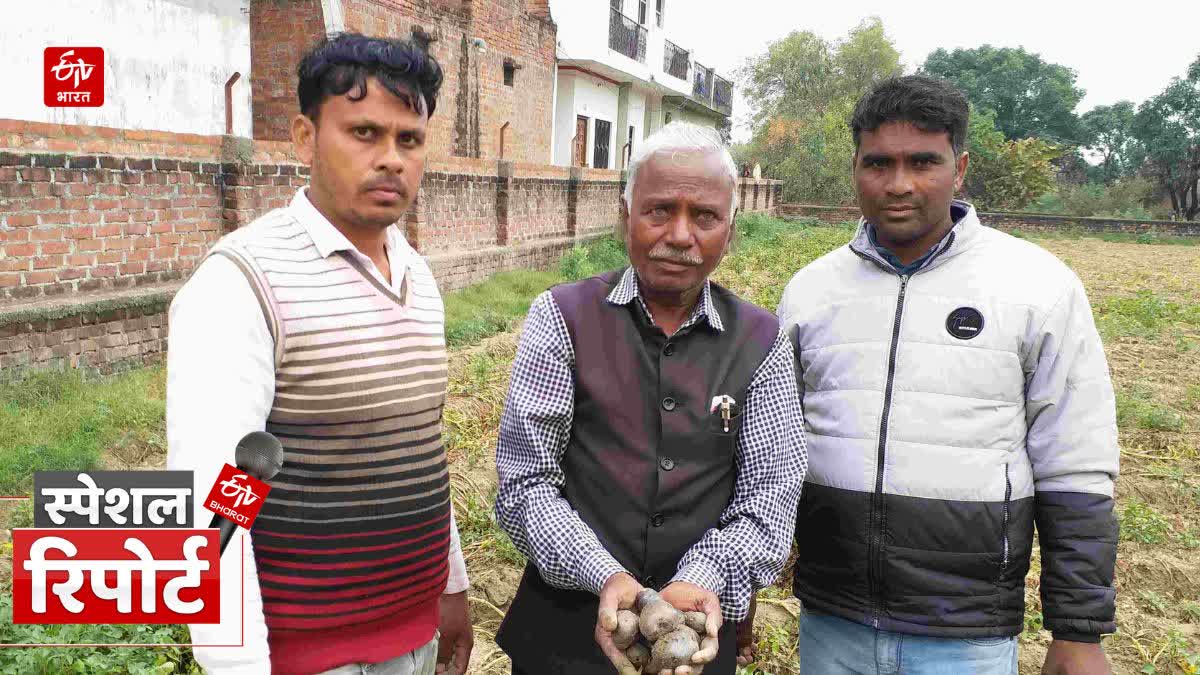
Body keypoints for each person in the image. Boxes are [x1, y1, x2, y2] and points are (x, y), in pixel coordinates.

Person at [776, 75, 1119, 674]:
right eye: (879, 163)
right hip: (831, 622)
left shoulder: (1037, 287)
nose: (899, 183)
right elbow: (774, 452)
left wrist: (1079, 630)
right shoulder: (810, 292)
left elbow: (1075, 462)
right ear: (855, 167)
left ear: (959, 168)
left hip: (965, 635)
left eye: (923, 162)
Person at [166, 33, 473, 675]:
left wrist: (451, 591)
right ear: (306, 139)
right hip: (305, 658)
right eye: (364, 133)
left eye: (409, 140)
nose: (391, 159)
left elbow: (423, 448)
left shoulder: (418, 279)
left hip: (413, 641)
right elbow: (216, 505)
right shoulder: (242, 282)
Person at [492, 122, 807, 675]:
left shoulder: (762, 342)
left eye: (705, 216)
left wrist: (699, 580)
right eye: (659, 210)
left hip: (696, 644)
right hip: (561, 644)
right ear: (625, 215)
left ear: (730, 229)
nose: (680, 235)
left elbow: (771, 499)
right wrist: (606, 577)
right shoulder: (561, 318)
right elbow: (526, 485)